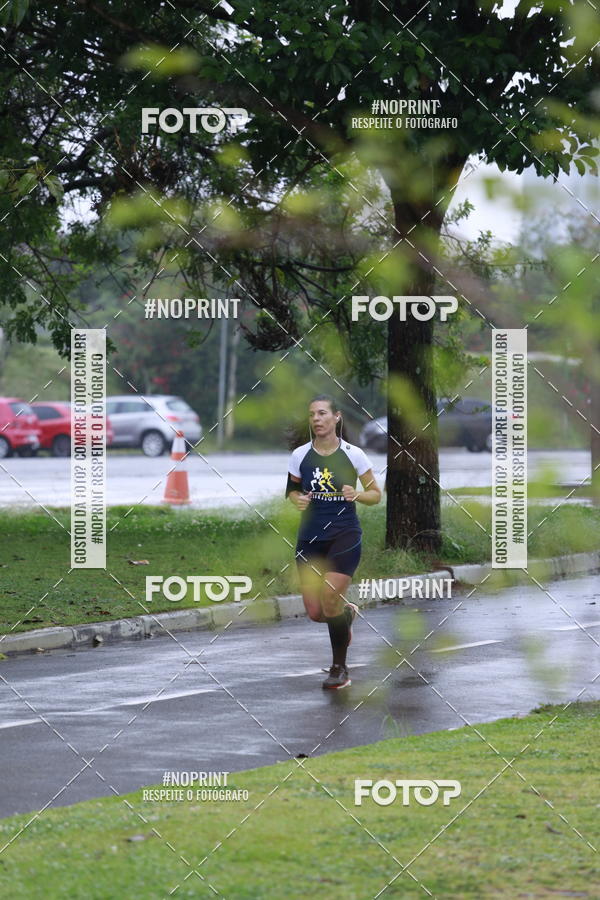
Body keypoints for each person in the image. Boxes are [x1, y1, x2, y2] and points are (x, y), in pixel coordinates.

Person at [286, 395, 382, 689]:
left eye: (322, 413)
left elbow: (376, 494)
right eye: (312, 414)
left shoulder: (354, 454)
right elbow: (291, 490)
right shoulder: (300, 455)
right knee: (317, 612)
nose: (316, 419)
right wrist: (298, 499)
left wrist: (357, 495)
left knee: (329, 598)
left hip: (344, 535)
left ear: (336, 417)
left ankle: (339, 668)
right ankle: (347, 614)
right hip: (310, 538)